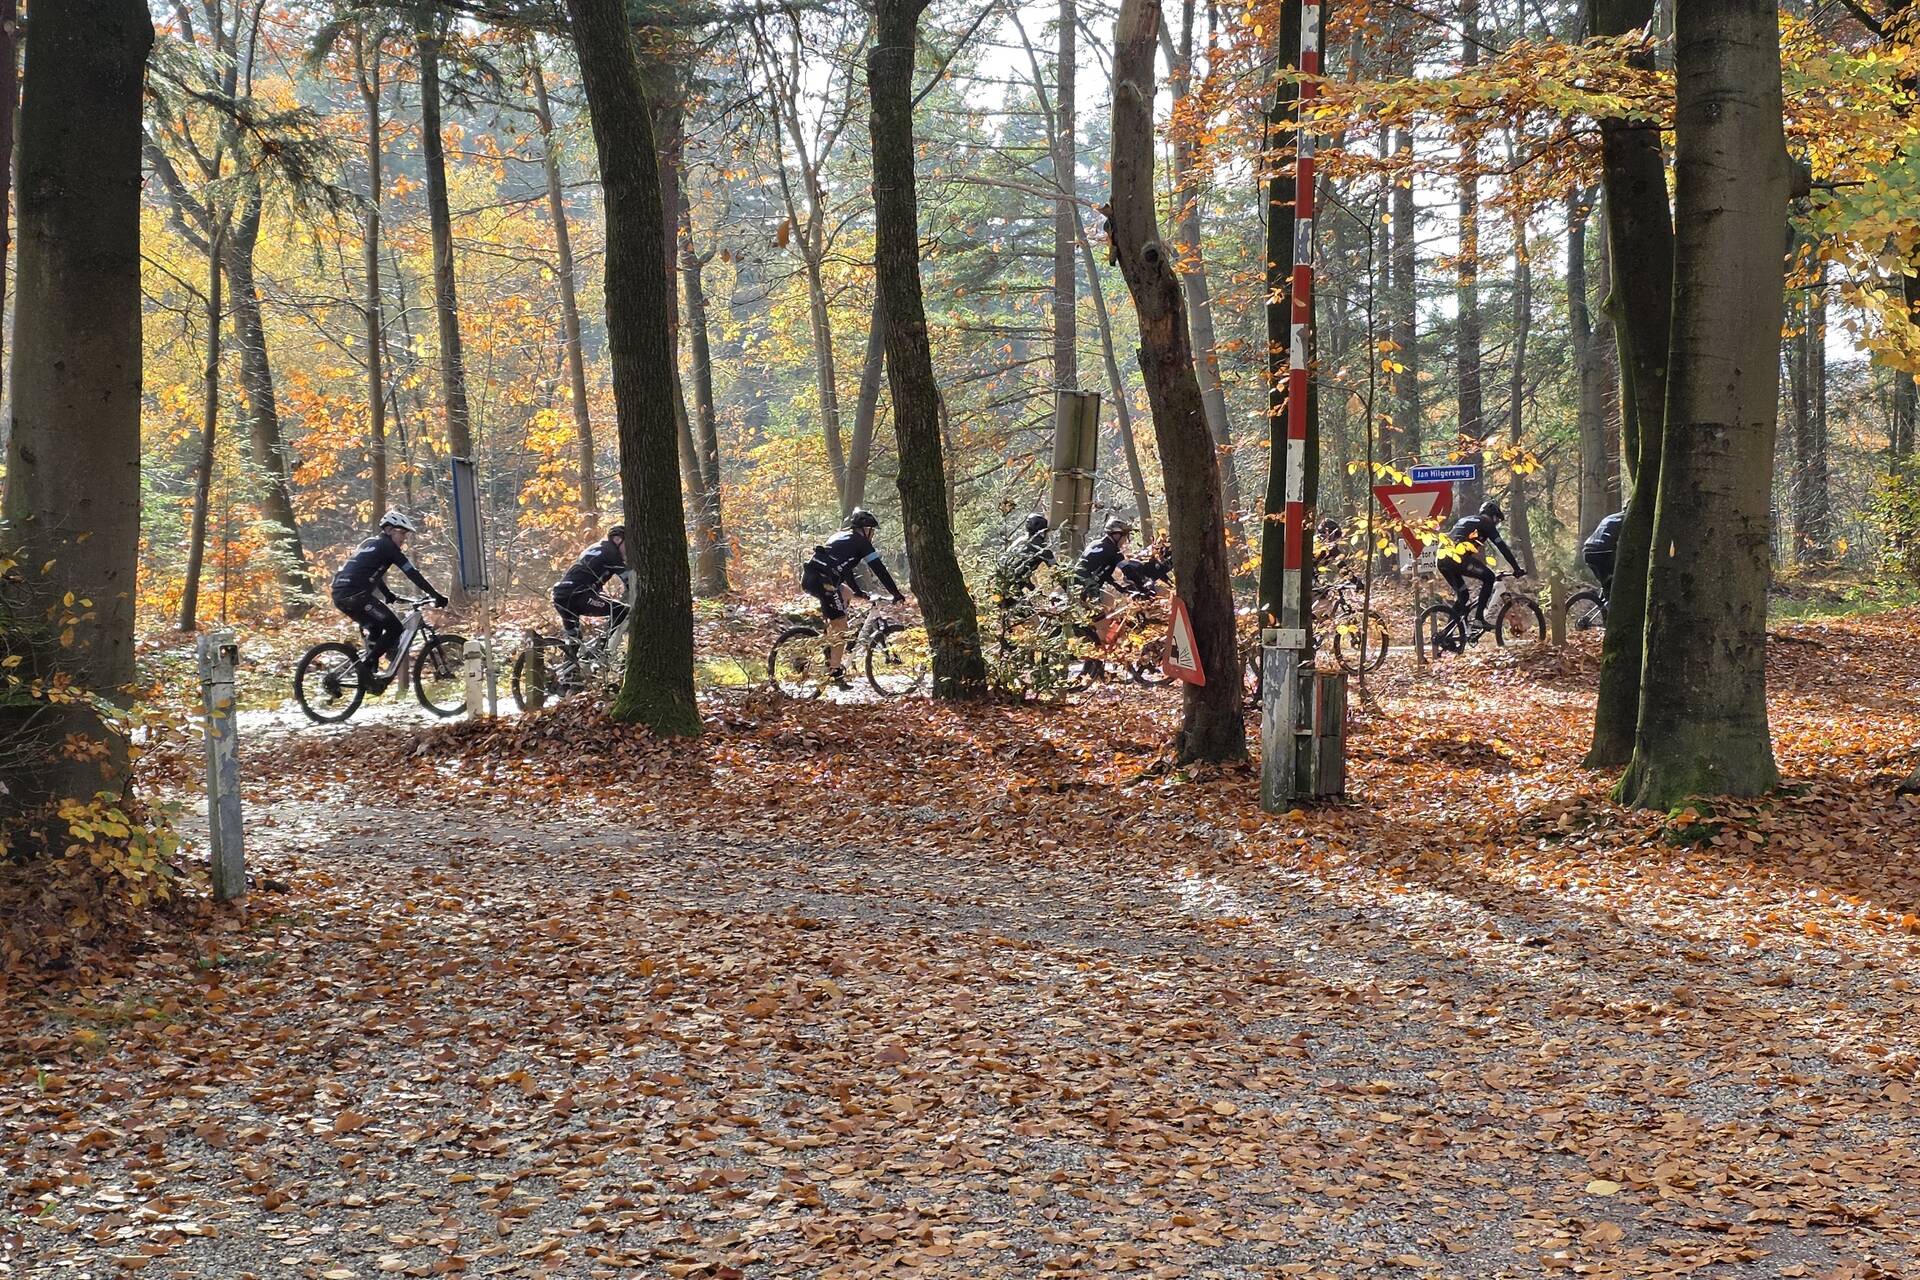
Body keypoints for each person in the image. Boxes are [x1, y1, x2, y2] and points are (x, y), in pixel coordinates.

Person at [330, 510, 447, 683]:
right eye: (401, 533)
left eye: (406, 534)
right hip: (357, 595)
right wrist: (435, 595)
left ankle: (369, 675)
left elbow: (369, 572)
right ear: (389, 530)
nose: (404, 538)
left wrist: (388, 594)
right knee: (395, 628)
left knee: (376, 627)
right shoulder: (388, 547)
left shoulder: (370, 544)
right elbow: (412, 573)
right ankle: (366, 667)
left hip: (339, 594)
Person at [802, 509, 906, 682]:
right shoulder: (861, 542)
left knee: (847, 593)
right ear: (865, 529)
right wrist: (895, 593)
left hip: (812, 577)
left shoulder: (841, 536)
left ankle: (831, 642)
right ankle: (835, 671)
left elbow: (845, 569)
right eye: (872, 531)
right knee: (841, 625)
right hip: (823, 581)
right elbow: (879, 568)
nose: (873, 535)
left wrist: (857, 591)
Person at [1439, 499, 1526, 631]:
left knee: (1463, 596)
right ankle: (1479, 619)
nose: (1496, 524)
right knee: (1489, 577)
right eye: (1497, 520)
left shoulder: (1466, 520)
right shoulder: (1486, 522)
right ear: (1493, 516)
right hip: (1456, 558)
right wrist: (1516, 568)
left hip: (1441, 558)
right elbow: (1502, 547)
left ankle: (1447, 633)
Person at [551, 524, 629, 649]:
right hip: (578, 594)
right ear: (617, 539)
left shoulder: (597, 547)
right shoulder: (612, 552)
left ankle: (572, 656)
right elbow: (630, 581)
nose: (629, 550)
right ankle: (603, 648)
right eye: (628, 544)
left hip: (560, 595)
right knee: (620, 611)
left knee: (574, 640)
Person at [1075, 516, 1135, 606]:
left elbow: (1103, 572)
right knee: (1107, 603)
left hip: (1073, 581)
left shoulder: (1094, 543)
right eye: (1125, 536)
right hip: (1086, 587)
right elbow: (1129, 572)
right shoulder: (1115, 552)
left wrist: (1118, 587)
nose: (1125, 540)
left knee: (1108, 599)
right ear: (1117, 535)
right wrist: (1141, 586)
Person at [996, 513, 1056, 601]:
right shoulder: (1041, 548)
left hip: (1000, 584)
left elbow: (1018, 571)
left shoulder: (1019, 541)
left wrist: (1035, 591)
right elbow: (1057, 571)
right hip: (1011, 589)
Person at [1582, 510, 1623, 601]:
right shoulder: (1628, 520)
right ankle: (1612, 602)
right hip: (1603, 552)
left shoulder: (1610, 517)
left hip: (1587, 551)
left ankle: (1603, 600)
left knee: (1607, 581)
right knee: (1623, 575)